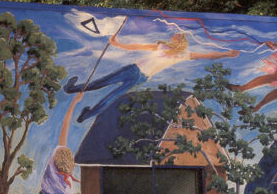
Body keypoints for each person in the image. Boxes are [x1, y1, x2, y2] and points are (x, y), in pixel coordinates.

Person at [64, 31, 239, 124]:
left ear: (179, 40)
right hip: (140, 74)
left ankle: (75, 94)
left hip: (136, 71)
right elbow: (137, 46)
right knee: (110, 92)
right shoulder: (171, 49)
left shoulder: (176, 51)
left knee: (105, 85)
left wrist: (227, 54)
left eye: (176, 34)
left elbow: (208, 56)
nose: (173, 34)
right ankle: (83, 110)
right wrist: (117, 44)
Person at [38, 94, 119, 194]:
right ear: (57, 167)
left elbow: (66, 124)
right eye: (64, 173)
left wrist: (74, 102)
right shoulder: (64, 185)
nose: (67, 175)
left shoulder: (60, 150)